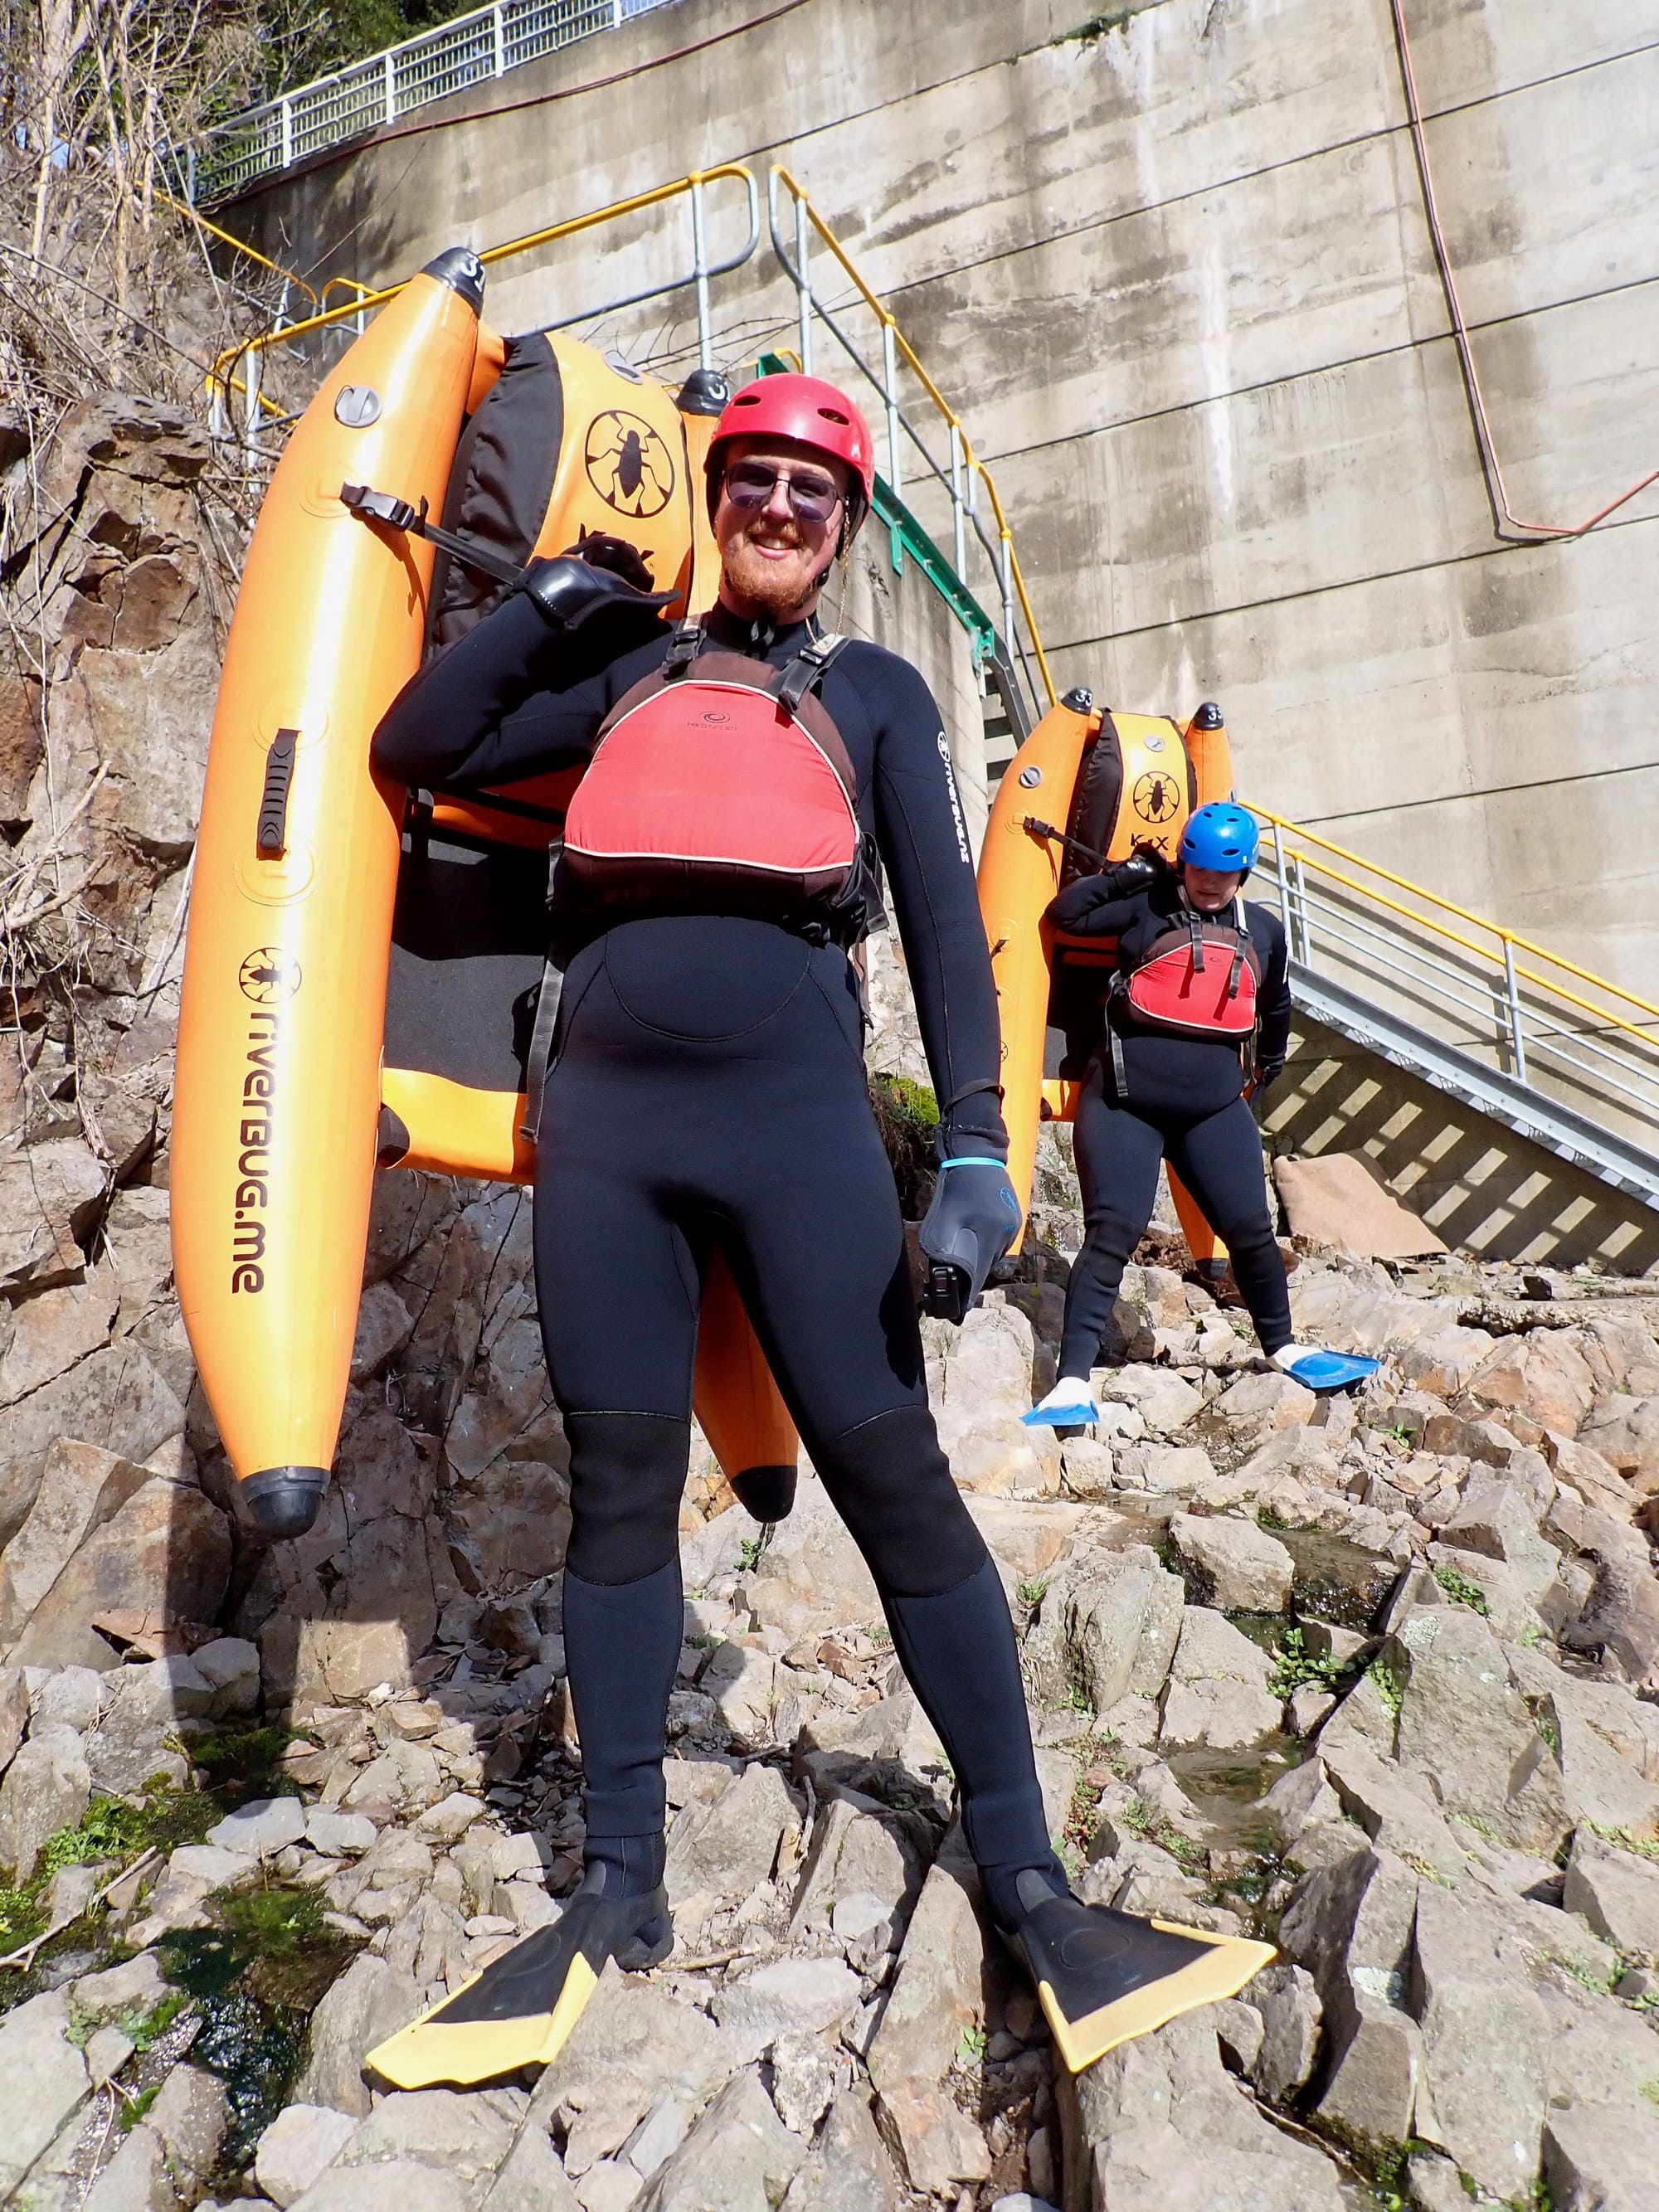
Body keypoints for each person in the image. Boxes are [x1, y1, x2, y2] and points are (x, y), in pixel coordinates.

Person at [362, 375, 1270, 2088]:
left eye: (812, 491)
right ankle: (615, 1875)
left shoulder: (872, 693)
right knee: (618, 1489)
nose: (780, 509)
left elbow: (945, 925)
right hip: (607, 1137)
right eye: (755, 482)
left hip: (798, 1132)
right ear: (716, 498)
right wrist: (551, 605)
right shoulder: (625, 669)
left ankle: (1027, 1876)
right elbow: (416, 751)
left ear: (844, 526)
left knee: (895, 1482)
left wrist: (981, 1143)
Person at [1026, 802, 1360, 1425]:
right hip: (1125, 1098)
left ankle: (1283, 1345)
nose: (1208, 882)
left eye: (1222, 873)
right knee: (1113, 1231)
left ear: (1243, 873)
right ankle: (1071, 1381)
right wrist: (1127, 874)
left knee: (1252, 1230)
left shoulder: (1264, 930)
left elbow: (1276, 1002)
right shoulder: (1146, 907)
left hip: (1213, 1107)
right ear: (1184, 862)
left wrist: (1269, 1065)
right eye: (1198, 869)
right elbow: (1064, 914)